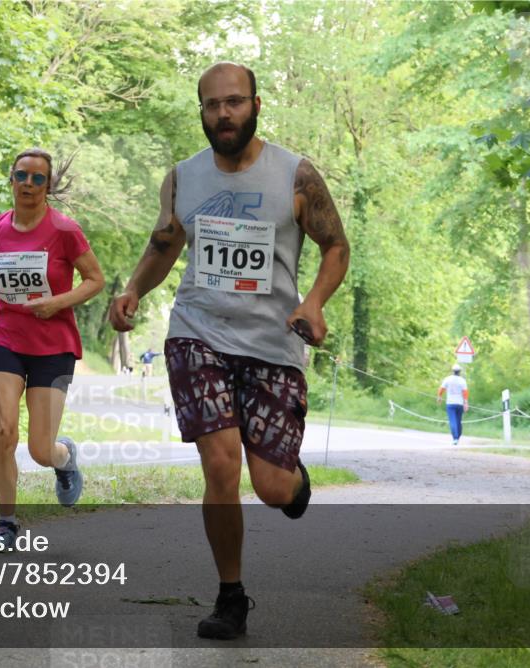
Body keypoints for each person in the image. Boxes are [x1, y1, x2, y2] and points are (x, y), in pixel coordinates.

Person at [108, 62, 349, 640]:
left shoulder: (295, 175)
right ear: (201, 110)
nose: (224, 114)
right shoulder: (183, 177)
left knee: (270, 489)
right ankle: (231, 597)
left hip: (272, 345)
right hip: (198, 333)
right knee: (220, 463)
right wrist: (134, 289)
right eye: (213, 104)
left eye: (235, 102)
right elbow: (166, 243)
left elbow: (336, 247)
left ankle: (293, 481)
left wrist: (313, 303)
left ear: (257, 105)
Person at [0, 147, 105, 550]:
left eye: (38, 178)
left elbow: (94, 279)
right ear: (11, 179)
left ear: (49, 185)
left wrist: (56, 302)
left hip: (54, 345)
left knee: (40, 449)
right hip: (7, 338)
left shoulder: (64, 231)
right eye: (22, 176)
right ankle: (6, 523)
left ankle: (64, 459)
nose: (29, 184)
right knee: (4, 431)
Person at [437, 364, 469, 445]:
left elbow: (441, 389)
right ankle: (458, 437)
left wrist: (439, 397)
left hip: (450, 403)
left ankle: (455, 438)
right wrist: (465, 403)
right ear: (460, 372)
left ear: (452, 371)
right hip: (459, 403)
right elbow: (465, 392)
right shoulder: (462, 380)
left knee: (452, 420)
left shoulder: (447, 379)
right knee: (458, 420)